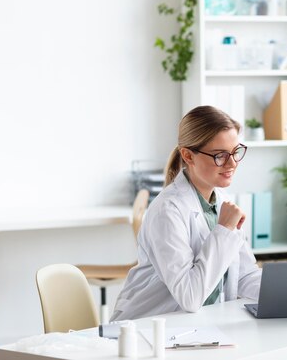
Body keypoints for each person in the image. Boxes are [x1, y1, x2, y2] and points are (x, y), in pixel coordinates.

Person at [111, 105, 261, 320]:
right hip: (147, 329)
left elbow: (244, 277)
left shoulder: (223, 203)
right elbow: (190, 297)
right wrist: (225, 229)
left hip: (197, 326)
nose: (232, 163)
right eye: (220, 155)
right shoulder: (167, 210)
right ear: (188, 156)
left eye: (236, 152)